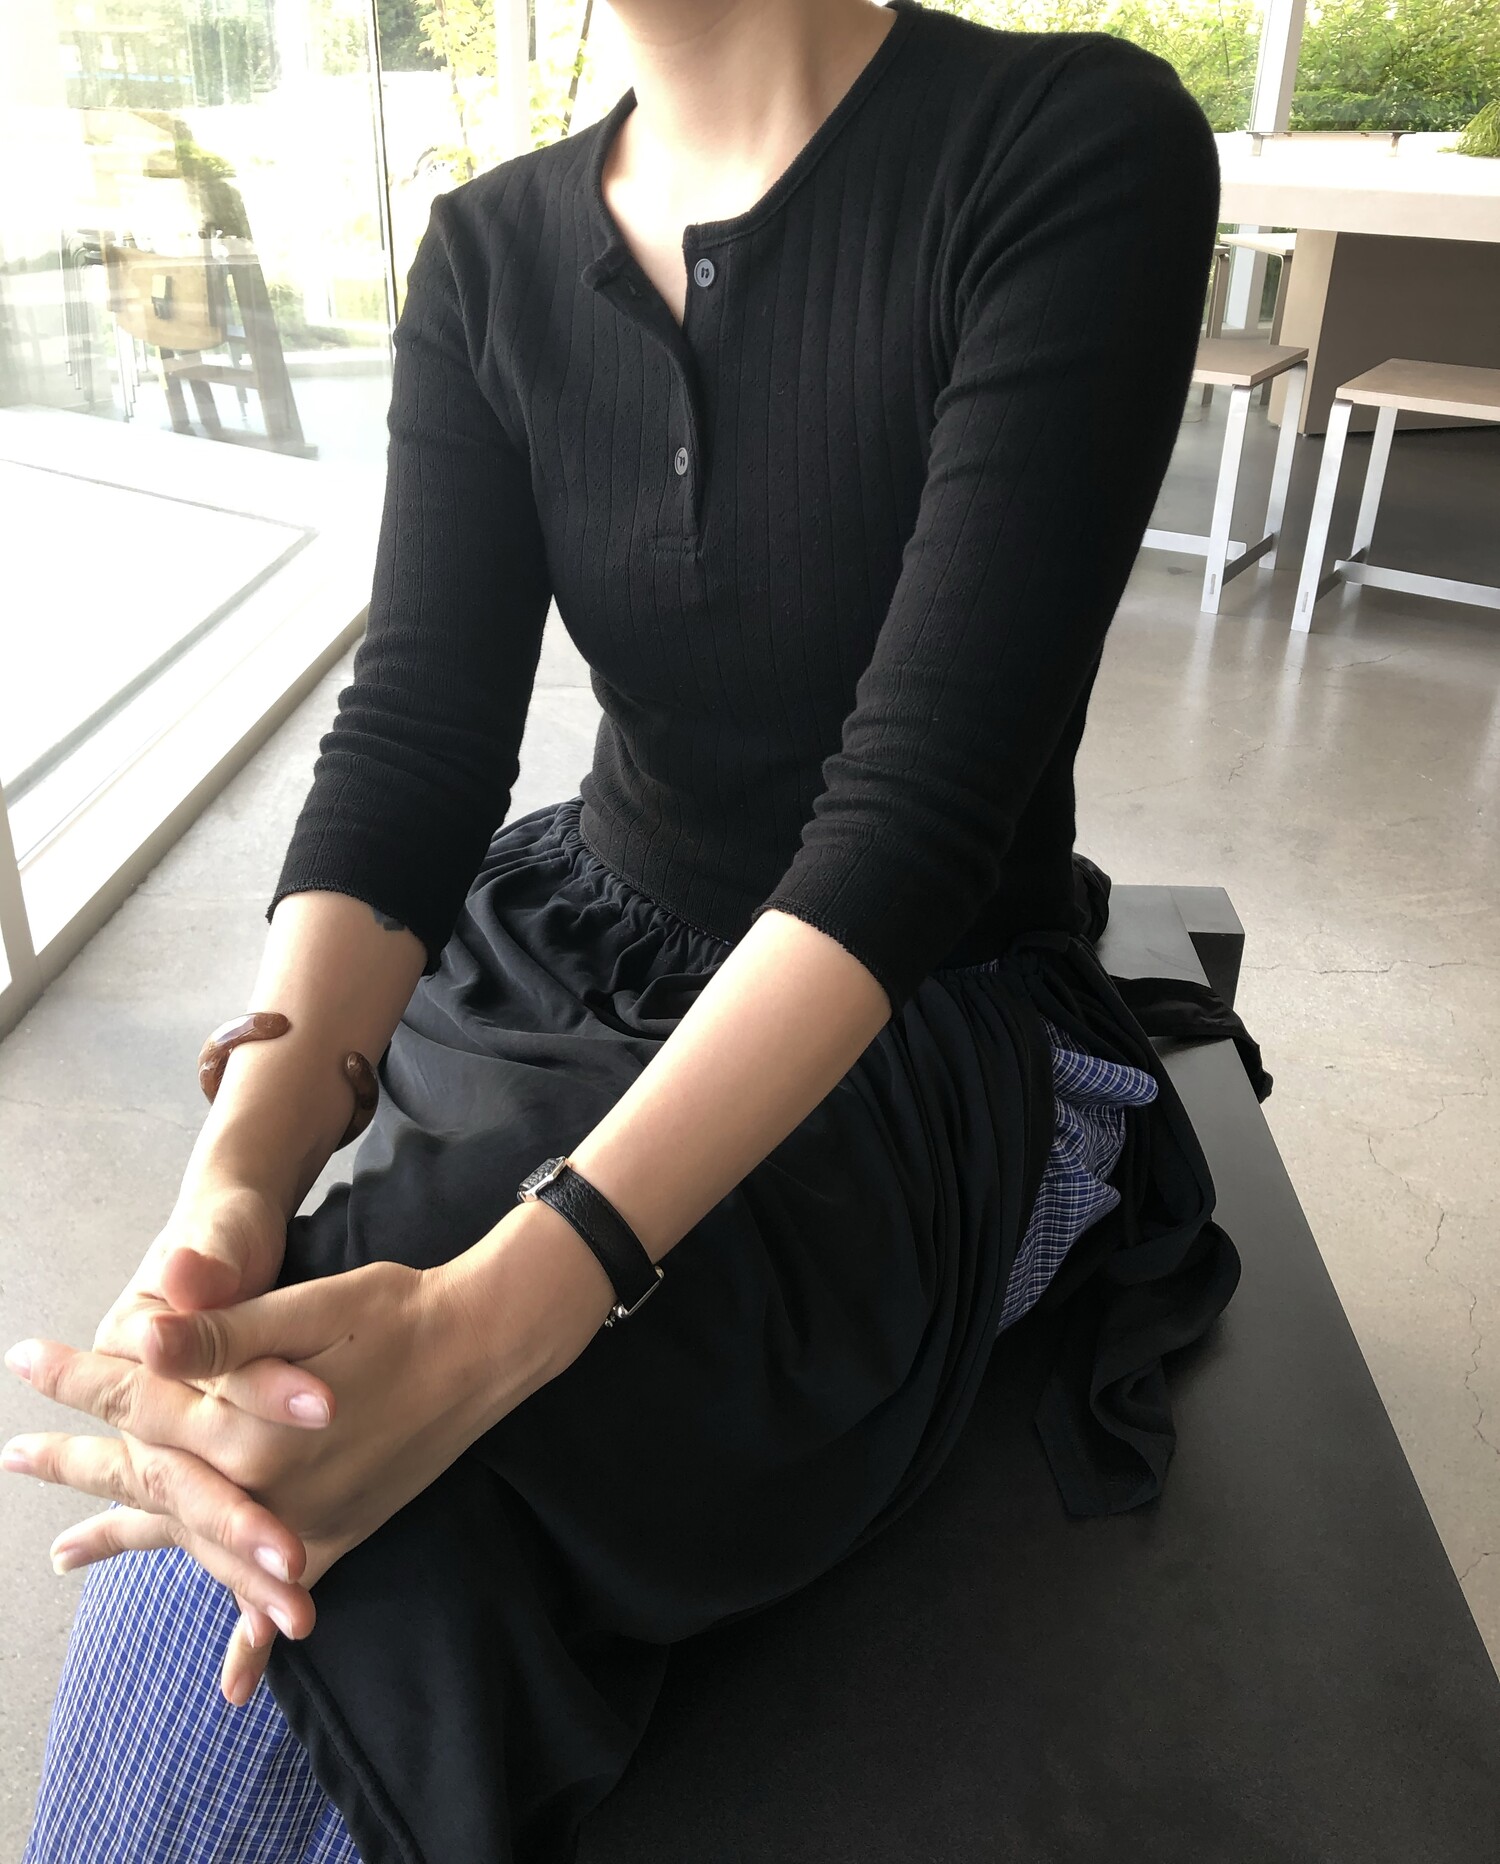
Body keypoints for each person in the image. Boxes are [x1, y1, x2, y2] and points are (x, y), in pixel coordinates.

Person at [7, 1, 1240, 1858]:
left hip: (903, 1025)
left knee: (374, 1540)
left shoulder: (1068, 142)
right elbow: (416, 744)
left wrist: (495, 1323)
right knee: (269, 1416)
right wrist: (233, 1189)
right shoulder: (488, 249)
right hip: (569, 953)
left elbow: (914, 819)